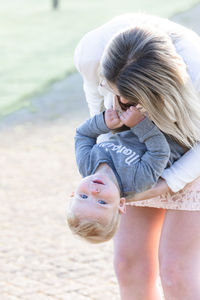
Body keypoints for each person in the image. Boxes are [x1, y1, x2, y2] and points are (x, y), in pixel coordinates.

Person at [74, 13, 200, 299]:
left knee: (176, 271)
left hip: (190, 147)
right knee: (127, 265)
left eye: (132, 99)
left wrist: (164, 183)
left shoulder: (196, 71)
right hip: (137, 152)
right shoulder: (91, 54)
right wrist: (109, 142)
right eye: (118, 94)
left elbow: (164, 153)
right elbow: (96, 115)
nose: (123, 104)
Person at [67, 106, 185, 243]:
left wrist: (103, 122)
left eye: (83, 196)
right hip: (176, 128)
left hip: (147, 115)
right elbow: (160, 152)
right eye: (101, 202)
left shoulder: (86, 164)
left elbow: (82, 135)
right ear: (121, 204)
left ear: (73, 192)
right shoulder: (137, 181)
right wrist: (139, 124)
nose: (94, 191)